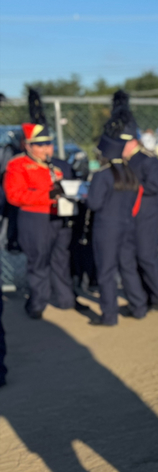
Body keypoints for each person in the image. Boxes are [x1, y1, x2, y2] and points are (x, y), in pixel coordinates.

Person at [3, 89, 77, 319]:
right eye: (41, 145)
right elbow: (14, 195)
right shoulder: (18, 166)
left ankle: (66, 300)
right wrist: (48, 197)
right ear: (28, 145)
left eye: (49, 144)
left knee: (61, 260)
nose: (47, 149)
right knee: (38, 264)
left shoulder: (61, 165)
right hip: (34, 219)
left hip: (60, 219)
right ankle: (38, 303)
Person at [86, 107, 148, 326]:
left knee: (106, 271)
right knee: (127, 267)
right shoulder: (130, 173)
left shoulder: (102, 175)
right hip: (127, 225)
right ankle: (139, 307)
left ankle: (109, 315)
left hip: (106, 228)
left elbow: (94, 203)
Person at [116, 91, 158, 311]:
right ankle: (145, 296)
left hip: (146, 214)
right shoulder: (126, 160)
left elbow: (153, 187)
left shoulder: (147, 160)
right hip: (131, 215)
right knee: (133, 258)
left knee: (147, 256)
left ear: (133, 141)